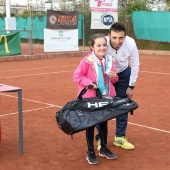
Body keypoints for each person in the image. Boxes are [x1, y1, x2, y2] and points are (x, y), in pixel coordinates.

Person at [73, 33, 118, 165]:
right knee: (91, 124)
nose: (102, 48)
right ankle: (90, 151)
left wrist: (114, 76)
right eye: (98, 45)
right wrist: (88, 83)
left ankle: (103, 148)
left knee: (104, 123)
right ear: (92, 47)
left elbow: (114, 80)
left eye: (104, 45)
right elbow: (76, 76)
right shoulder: (86, 61)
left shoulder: (110, 60)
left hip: (105, 97)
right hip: (90, 99)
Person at [96, 22, 140, 150]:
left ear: (125, 36)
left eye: (121, 38)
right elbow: (94, 59)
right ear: (109, 35)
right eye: (114, 37)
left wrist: (131, 86)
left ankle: (120, 137)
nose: (117, 41)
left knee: (122, 105)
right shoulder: (102, 43)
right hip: (106, 75)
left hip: (123, 74)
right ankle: (101, 138)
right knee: (103, 106)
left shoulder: (131, 43)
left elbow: (135, 64)